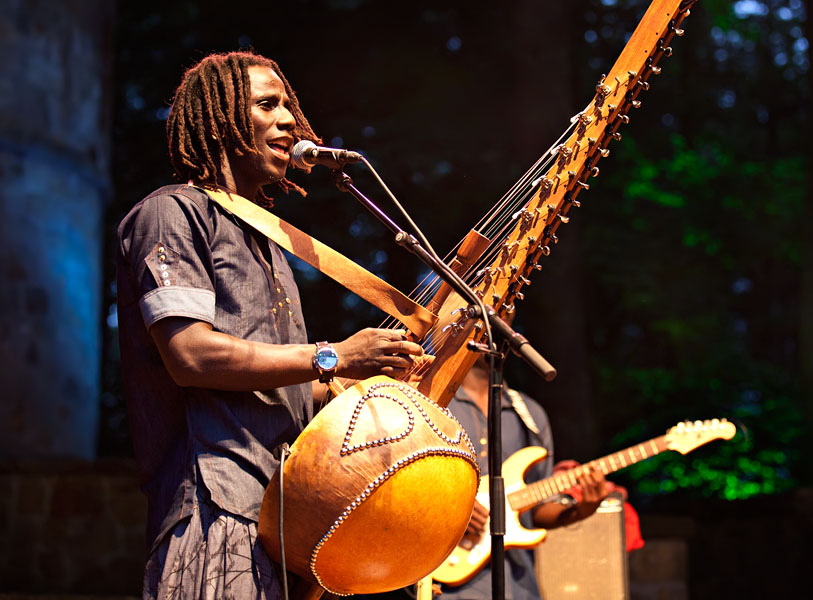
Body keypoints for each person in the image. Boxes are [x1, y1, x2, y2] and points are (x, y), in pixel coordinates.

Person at [116, 50, 425, 599]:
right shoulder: (172, 212)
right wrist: (334, 356)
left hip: (284, 516)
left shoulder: (273, 247)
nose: (288, 120)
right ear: (222, 120)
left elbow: (280, 385)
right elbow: (191, 356)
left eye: (288, 106)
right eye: (267, 105)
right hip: (214, 505)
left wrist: (362, 383)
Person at [434, 356, 612, 600]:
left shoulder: (530, 413)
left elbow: (537, 510)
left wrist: (581, 510)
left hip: (519, 586)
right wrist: (453, 507)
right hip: (446, 583)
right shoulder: (434, 402)